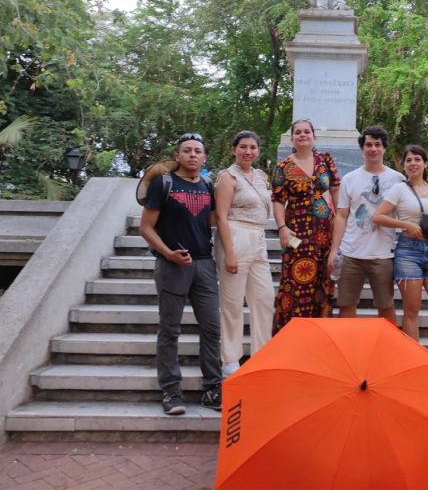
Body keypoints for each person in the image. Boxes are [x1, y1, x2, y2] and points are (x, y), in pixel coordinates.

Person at [139, 133, 222, 415]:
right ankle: (172, 391)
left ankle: (213, 388)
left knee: (212, 328)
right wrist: (167, 253)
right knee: (170, 330)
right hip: (172, 265)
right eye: (187, 150)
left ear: (204, 157)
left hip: (204, 265)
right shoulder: (164, 183)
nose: (192, 155)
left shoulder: (208, 184)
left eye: (198, 151)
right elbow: (146, 227)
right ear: (178, 156)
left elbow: (212, 219)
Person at [373, 144, 428, 358]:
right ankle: (414, 359)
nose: (413, 163)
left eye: (417, 159)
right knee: (411, 310)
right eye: (409, 160)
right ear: (404, 165)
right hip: (409, 252)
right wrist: (406, 226)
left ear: (425, 163)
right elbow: (378, 216)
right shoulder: (399, 189)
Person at [328, 125, 404, 322]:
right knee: (346, 306)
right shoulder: (350, 179)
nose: (373, 149)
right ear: (362, 148)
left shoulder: (398, 179)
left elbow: (407, 215)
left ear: (384, 148)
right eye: (368, 144)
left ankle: (386, 349)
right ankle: (348, 349)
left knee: (386, 308)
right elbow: (342, 216)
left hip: (383, 254)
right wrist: (334, 249)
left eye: (377, 145)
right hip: (351, 253)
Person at [214, 131, 275, 378]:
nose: (248, 151)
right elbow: (221, 215)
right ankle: (230, 358)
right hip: (235, 235)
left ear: (258, 151)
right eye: (243, 147)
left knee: (264, 297)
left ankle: (262, 353)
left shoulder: (260, 176)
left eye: (252, 147)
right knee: (232, 301)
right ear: (234, 149)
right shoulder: (227, 177)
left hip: (259, 238)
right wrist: (229, 253)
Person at [271, 119, 341, 333]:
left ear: (314, 136)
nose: (303, 135)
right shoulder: (283, 167)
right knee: (295, 283)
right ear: (292, 138)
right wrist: (282, 227)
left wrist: (339, 220)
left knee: (323, 282)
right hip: (296, 233)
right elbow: (277, 200)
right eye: (298, 132)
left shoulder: (325, 160)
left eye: (307, 131)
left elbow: (336, 191)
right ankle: (292, 335)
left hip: (324, 233)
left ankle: (319, 335)